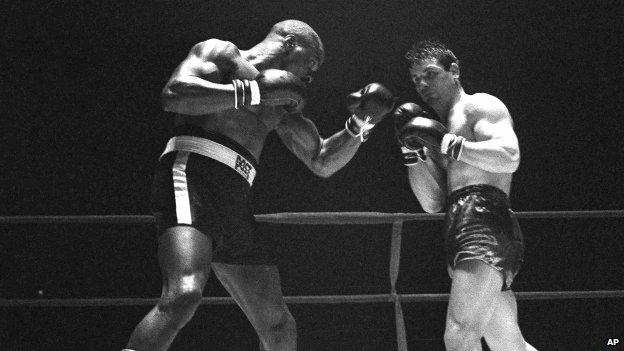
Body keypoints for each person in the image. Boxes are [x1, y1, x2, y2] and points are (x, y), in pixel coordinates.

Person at [123, 20, 395, 351]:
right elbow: (174, 95)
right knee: (184, 294)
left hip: (236, 197)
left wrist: (361, 124)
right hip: (194, 174)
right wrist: (249, 92)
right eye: (311, 62)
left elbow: (321, 160)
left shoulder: (281, 101)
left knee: (278, 325)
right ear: (290, 43)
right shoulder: (221, 54)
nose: (311, 75)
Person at [394, 40, 537, 350]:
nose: (422, 84)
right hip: (458, 224)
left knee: (459, 336)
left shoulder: (479, 106)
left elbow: (510, 156)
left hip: (485, 221)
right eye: (416, 79)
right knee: (509, 345)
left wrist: (450, 144)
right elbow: (431, 202)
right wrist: (412, 151)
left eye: (429, 74)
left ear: (454, 71)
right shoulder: (441, 127)